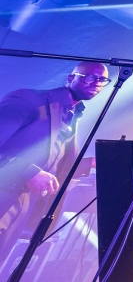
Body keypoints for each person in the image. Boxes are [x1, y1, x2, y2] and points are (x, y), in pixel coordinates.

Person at [0, 61, 110, 259]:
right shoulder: (28, 99)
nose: (96, 83)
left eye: (102, 80)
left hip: (21, 203)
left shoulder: (73, 116)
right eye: (90, 77)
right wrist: (30, 172)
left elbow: (56, 165)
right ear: (70, 78)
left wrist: (91, 163)